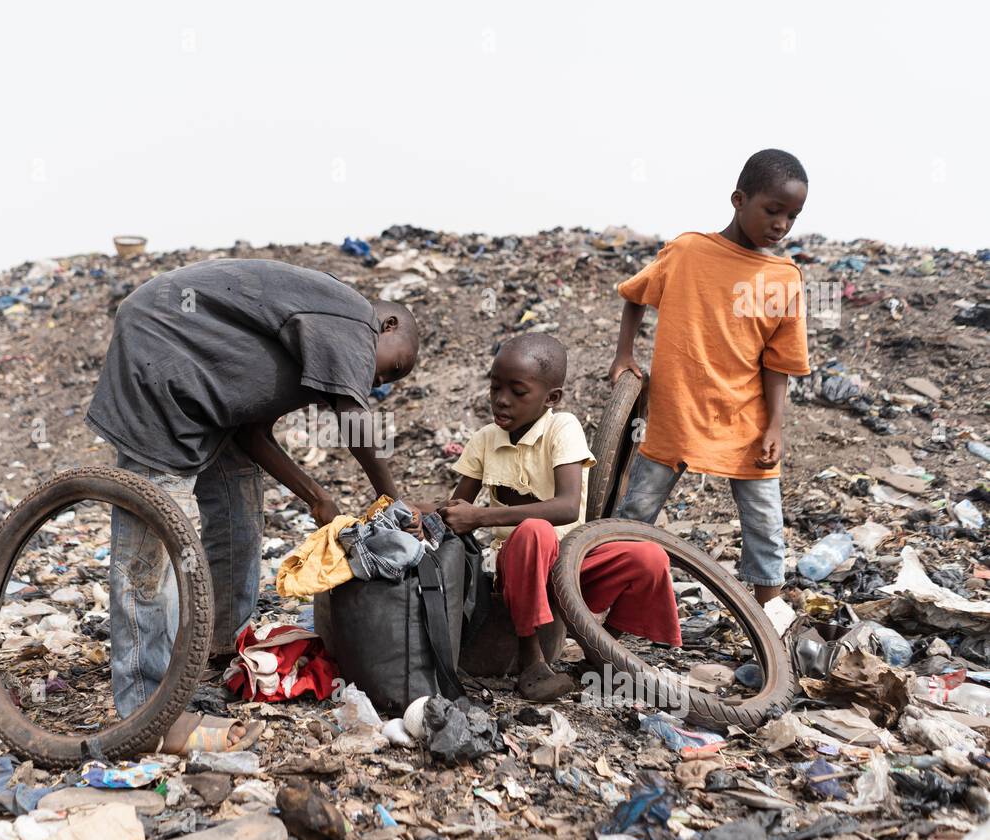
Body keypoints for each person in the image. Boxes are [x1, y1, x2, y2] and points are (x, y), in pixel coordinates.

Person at [86, 258, 419, 751]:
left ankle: (220, 644)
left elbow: (252, 434)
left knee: (239, 505)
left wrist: (318, 498)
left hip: (206, 394)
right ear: (387, 325)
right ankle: (146, 715)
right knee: (152, 547)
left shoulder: (310, 350)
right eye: (391, 367)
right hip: (159, 359)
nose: (375, 384)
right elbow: (353, 417)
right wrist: (389, 493)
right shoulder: (352, 318)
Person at [417, 333, 680, 702]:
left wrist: (481, 516)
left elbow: (567, 507)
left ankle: (602, 654)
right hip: (517, 564)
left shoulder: (563, 428)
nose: (501, 400)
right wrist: (420, 510)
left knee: (647, 557)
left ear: (551, 398)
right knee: (532, 534)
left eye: (517, 392)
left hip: (571, 562)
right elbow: (458, 506)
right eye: (495, 388)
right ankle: (533, 662)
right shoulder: (485, 440)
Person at [609, 148, 811, 608]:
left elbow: (780, 363)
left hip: (746, 422)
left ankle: (769, 623)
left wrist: (775, 426)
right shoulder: (688, 251)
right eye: (773, 210)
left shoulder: (784, 278)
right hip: (676, 414)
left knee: (765, 526)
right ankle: (602, 611)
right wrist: (624, 354)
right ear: (739, 200)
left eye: (792, 216)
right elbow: (635, 295)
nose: (781, 224)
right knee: (636, 515)